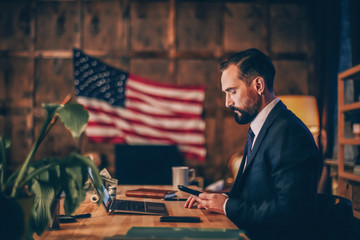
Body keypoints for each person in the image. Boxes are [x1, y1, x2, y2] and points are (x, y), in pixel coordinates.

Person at [184, 48, 320, 240]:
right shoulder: (263, 126)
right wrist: (214, 199)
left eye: (232, 91)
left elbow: (290, 211)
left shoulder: (288, 132)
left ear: (258, 85)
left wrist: (225, 206)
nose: (227, 102)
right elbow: (258, 195)